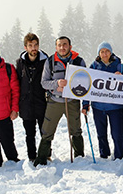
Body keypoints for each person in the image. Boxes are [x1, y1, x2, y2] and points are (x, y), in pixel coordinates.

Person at [34, 36, 86, 166]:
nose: (62, 47)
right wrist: (56, 84)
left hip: (72, 102)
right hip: (54, 101)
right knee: (47, 130)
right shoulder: (50, 61)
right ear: (56, 47)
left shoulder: (79, 61)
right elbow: (44, 83)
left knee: (76, 130)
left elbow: (86, 81)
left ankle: (79, 157)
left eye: (65, 44)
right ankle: (42, 158)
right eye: (59, 45)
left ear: (70, 46)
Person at [82, 42, 123, 160]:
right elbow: (88, 85)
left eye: (107, 51)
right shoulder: (94, 66)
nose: (105, 54)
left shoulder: (119, 65)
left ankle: (119, 155)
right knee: (101, 133)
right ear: (99, 53)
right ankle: (104, 153)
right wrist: (85, 104)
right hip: (98, 106)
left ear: (111, 52)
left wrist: (121, 76)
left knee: (117, 134)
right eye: (102, 52)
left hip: (115, 106)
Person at [16, 33, 49, 162]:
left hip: (42, 102)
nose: (33, 48)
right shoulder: (20, 63)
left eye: (35, 45)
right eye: (30, 45)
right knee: (29, 134)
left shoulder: (45, 61)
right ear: (26, 47)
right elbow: (17, 82)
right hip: (26, 104)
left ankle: (45, 154)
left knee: (44, 132)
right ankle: (31, 156)